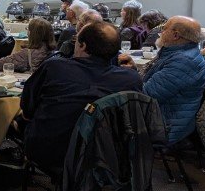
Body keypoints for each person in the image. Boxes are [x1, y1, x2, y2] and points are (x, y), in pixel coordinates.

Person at [20, 21, 142, 172]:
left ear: (82, 45)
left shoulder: (54, 67)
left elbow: (27, 109)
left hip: (50, 151)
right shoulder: (131, 79)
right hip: (107, 156)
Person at [143, 16, 205, 145]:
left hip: (165, 125)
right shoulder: (183, 52)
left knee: (105, 118)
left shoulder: (183, 61)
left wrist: (127, 78)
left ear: (175, 35)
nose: (161, 31)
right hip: (166, 115)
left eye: (164, 28)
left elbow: (146, 96)